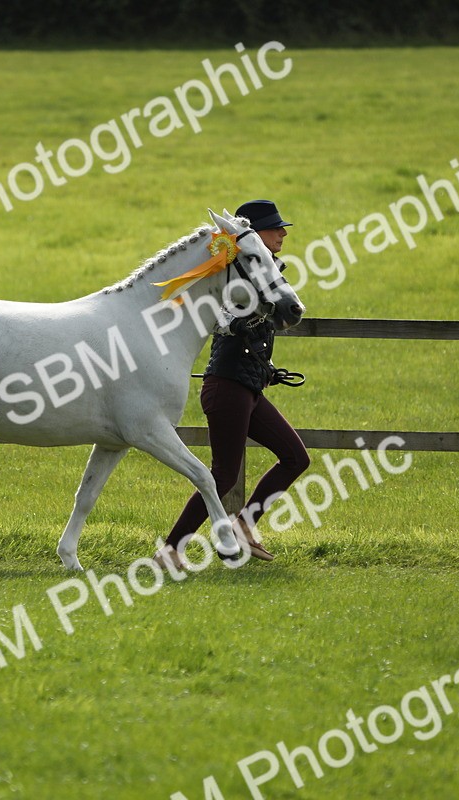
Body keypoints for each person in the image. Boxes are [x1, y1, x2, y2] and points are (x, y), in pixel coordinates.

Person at [156, 199, 311, 568]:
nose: (283, 234)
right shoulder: (234, 273)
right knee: (223, 474)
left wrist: (267, 369)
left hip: (248, 387)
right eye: (276, 228)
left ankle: (244, 524)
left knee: (295, 457)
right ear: (254, 234)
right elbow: (226, 320)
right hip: (227, 388)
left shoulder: (269, 274)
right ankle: (172, 549)